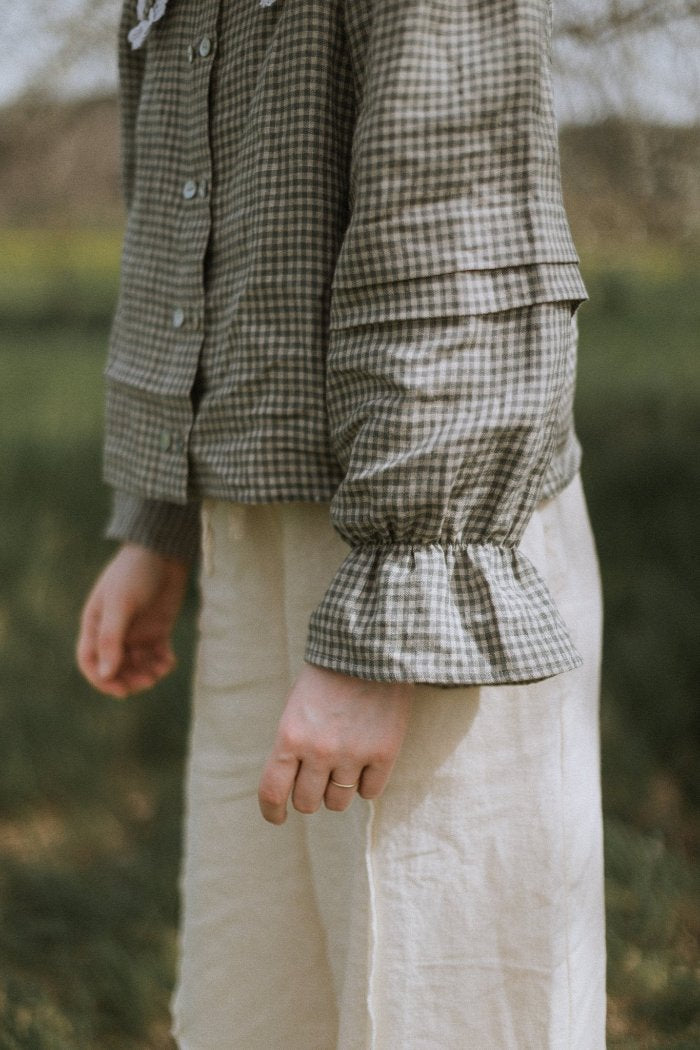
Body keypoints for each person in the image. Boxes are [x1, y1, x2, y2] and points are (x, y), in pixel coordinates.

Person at [76, 0, 607, 1046]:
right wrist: (161, 515)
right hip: (252, 526)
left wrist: (399, 607)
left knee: (437, 997)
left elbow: (453, 225)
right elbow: (180, 202)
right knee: (267, 994)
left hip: (424, 542)